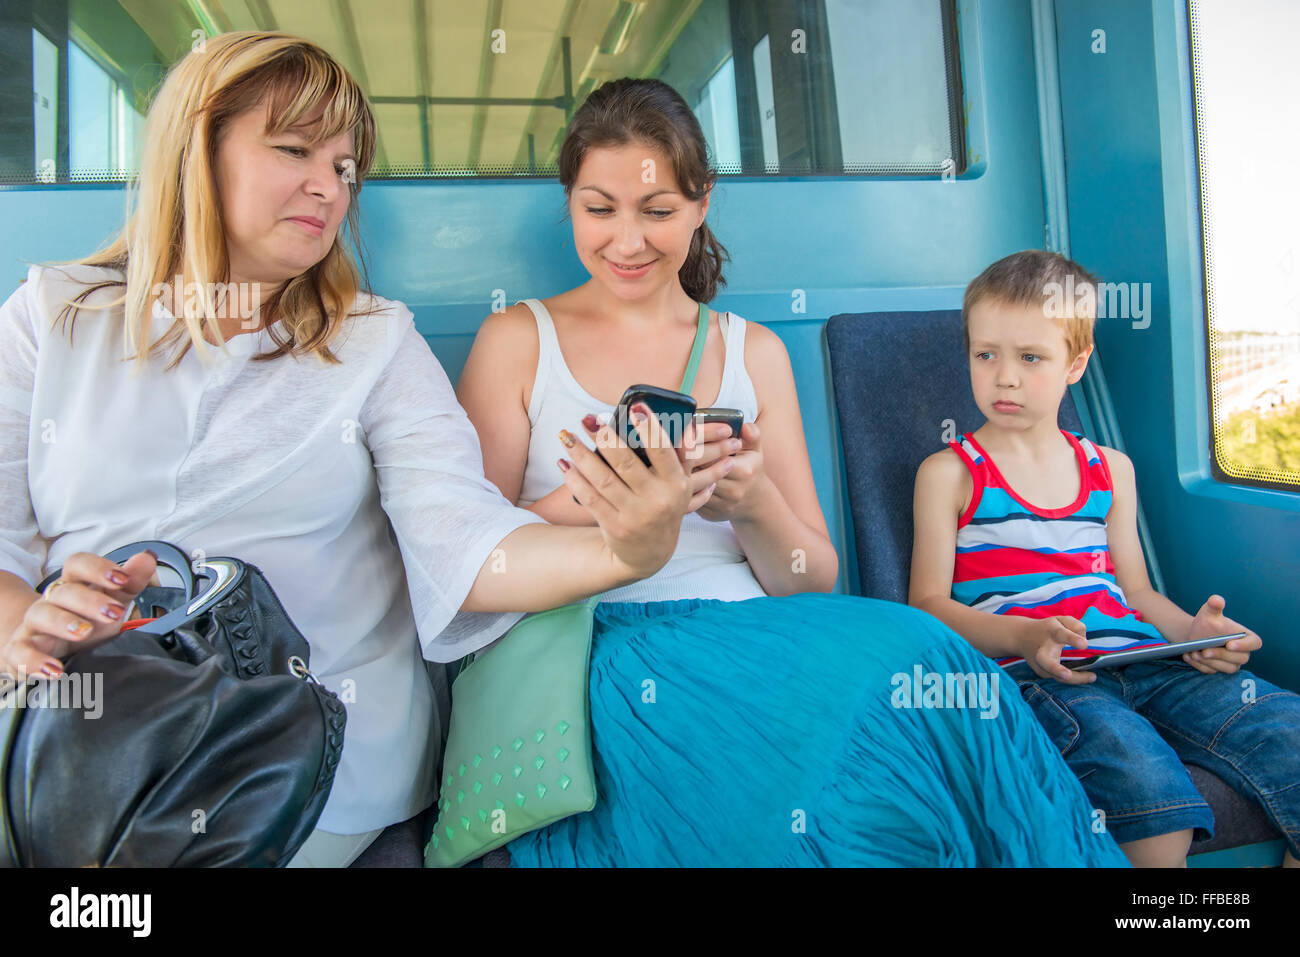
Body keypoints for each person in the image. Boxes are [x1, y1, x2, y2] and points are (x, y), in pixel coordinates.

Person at [0, 32, 695, 868]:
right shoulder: (52, 315)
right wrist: (29, 625)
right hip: (82, 750)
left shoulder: (373, 342)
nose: (328, 186)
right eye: (295, 150)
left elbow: (467, 548)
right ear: (195, 148)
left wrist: (629, 547)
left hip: (308, 776)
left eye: (344, 166)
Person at [456, 78, 1129, 866]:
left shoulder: (755, 352)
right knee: (841, 785)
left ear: (702, 203)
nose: (627, 240)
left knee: (929, 659)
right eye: (599, 209)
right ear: (569, 202)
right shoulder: (516, 340)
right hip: (600, 643)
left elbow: (813, 576)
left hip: (766, 627)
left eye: (658, 210)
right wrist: (596, 500)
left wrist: (753, 501)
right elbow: (468, 566)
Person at [908, 248, 1300, 867]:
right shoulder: (950, 472)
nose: (1003, 377)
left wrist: (1192, 634)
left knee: (1288, 732)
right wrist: (1025, 633)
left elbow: (1138, 594)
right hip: (1050, 677)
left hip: (1150, 659)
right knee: (1148, 794)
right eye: (986, 355)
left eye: (1030, 358)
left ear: (1076, 363)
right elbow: (927, 606)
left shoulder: (1109, 470)